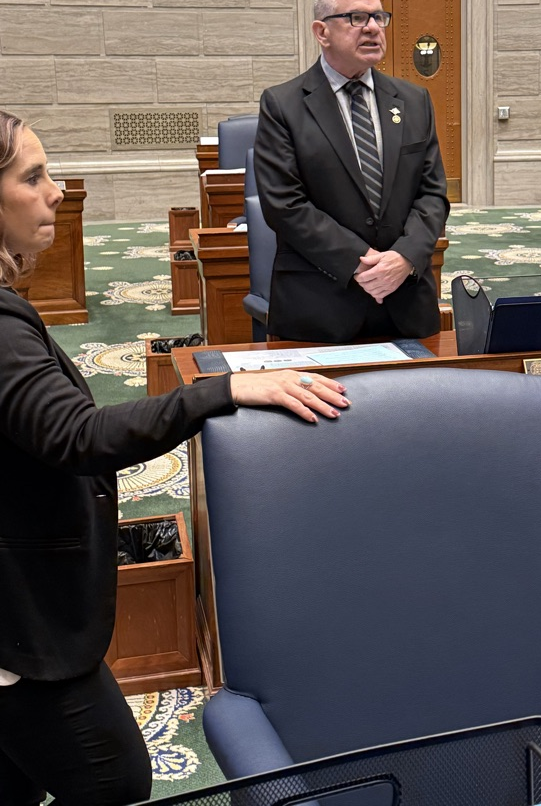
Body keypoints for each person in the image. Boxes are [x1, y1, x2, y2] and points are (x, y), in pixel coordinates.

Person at [0, 111, 350, 806]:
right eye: (33, 177)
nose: (57, 191)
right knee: (114, 779)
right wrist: (218, 392)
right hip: (23, 629)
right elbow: (76, 435)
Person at [253, 0, 450, 344]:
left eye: (379, 17)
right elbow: (285, 205)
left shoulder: (414, 101)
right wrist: (362, 263)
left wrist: (404, 258)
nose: (373, 28)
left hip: (406, 303)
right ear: (322, 32)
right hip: (320, 307)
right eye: (357, 18)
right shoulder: (283, 105)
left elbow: (432, 194)